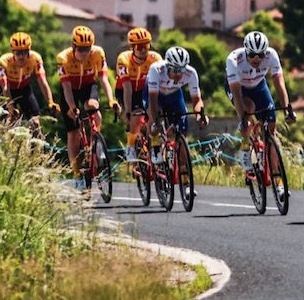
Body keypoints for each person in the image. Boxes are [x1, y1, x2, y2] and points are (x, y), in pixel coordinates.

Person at [58, 26, 120, 189]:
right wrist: (71, 107)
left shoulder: (98, 53)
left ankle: (96, 143)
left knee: (93, 106)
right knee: (73, 134)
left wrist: (111, 100)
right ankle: (78, 175)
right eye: (81, 49)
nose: (85, 53)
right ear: (73, 47)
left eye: (88, 49)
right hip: (69, 90)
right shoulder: (63, 58)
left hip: (87, 86)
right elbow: (66, 88)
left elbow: (104, 80)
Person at [226, 31, 297, 173]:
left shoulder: (272, 55)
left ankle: (277, 181)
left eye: (261, 55)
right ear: (246, 52)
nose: (257, 59)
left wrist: (287, 110)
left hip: (258, 86)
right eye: (252, 55)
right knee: (248, 108)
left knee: (271, 129)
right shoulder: (234, 59)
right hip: (239, 88)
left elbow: (279, 84)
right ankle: (245, 147)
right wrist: (243, 118)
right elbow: (236, 93)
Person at [146, 46, 209, 165]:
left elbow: (196, 99)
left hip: (174, 95)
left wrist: (199, 116)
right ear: (168, 66)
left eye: (182, 69)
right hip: (155, 95)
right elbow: (153, 100)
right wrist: (156, 121)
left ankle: (184, 175)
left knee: (182, 133)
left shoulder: (191, 73)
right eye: (175, 70)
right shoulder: (156, 69)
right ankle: (155, 146)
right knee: (154, 121)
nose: (179, 73)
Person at [0, 32, 59, 134]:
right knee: (11, 121)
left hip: (24, 90)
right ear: (12, 52)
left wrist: (50, 101)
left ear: (29, 51)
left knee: (35, 123)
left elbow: (42, 81)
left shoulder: (36, 59)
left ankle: (36, 149)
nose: (21, 56)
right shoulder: (3, 62)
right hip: (8, 92)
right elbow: (5, 87)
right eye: (18, 53)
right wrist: (11, 107)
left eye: (25, 52)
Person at [116, 27, 162, 163]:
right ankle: (130, 145)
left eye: (146, 45)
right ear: (132, 47)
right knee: (136, 115)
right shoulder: (124, 59)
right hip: (127, 91)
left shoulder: (155, 58)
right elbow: (127, 87)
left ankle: (155, 147)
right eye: (139, 46)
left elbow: (159, 84)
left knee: (153, 117)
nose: (143, 50)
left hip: (147, 90)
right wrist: (128, 110)